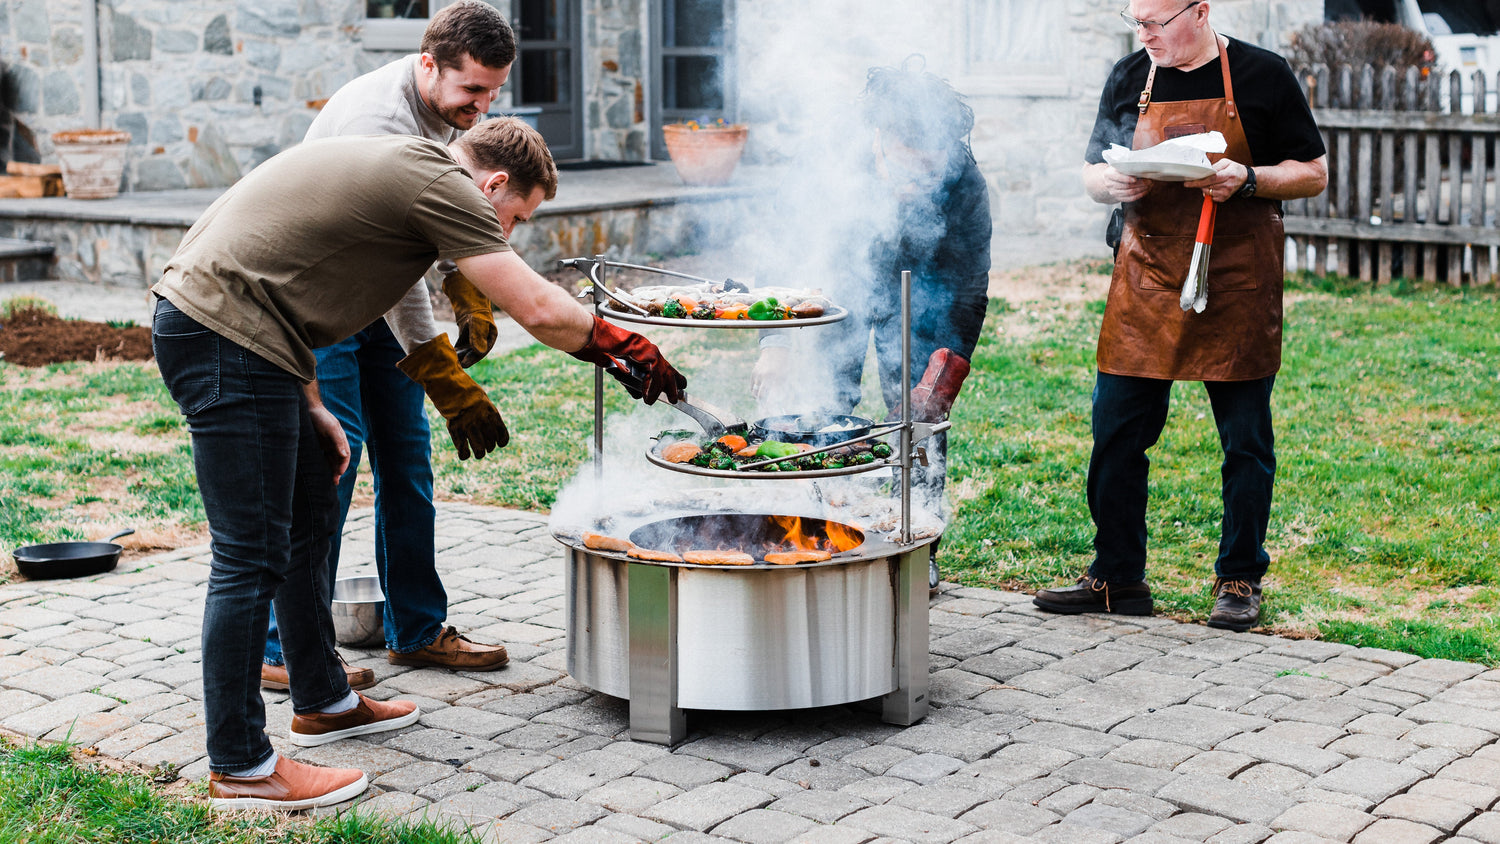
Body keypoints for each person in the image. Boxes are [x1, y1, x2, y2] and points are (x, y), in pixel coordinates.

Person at [151, 120, 686, 810]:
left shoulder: (415, 169)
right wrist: (622, 343)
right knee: (250, 554)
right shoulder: (446, 184)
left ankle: (323, 699)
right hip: (223, 337)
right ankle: (241, 765)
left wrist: (312, 403)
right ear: (494, 185)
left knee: (311, 512)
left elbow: (286, 281)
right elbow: (535, 306)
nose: (509, 234)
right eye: (516, 216)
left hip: (255, 339)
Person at [1032, 0, 1327, 630]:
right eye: (1134, 22)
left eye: (1154, 23)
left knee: (1245, 441)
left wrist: (1247, 179)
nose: (1144, 35)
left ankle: (1240, 577)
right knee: (1115, 432)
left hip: (1235, 277)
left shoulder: (1261, 74)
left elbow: (1313, 173)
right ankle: (1116, 577)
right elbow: (1092, 169)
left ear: (1199, 11)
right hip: (1147, 275)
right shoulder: (1128, 76)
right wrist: (1106, 186)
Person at [259, 0, 517, 693]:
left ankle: (417, 628)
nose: (483, 107)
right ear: (427, 64)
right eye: (472, 91)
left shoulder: (442, 114)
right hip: (325, 303)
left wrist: (465, 280)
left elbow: (432, 225)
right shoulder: (380, 123)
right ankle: (283, 648)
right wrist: (442, 373)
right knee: (332, 469)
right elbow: (396, 276)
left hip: (374, 293)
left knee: (408, 462)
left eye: (493, 93)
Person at [751, 63, 991, 594]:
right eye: (912, 170)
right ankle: (816, 532)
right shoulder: (829, 160)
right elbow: (782, 244)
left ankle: (916, 548)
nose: (922, 183)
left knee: (918, 433)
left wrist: (940, 379)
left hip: (921, 300)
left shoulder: (964, 181)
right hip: (833, 294)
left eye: (933, 171)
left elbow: (970, 287)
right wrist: (775, 342)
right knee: (822, 413)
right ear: (883, 138)